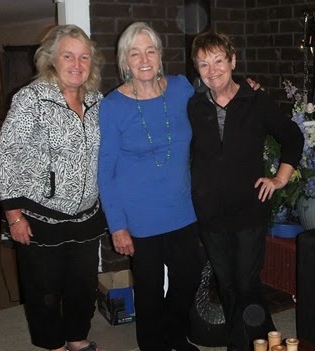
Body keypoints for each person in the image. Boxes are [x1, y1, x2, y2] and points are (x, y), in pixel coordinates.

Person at [187, 31, 304, 351]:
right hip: (209, 212)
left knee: (247, 283)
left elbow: (292, 137)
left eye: (218, 61)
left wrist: (279, 178)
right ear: (197, 69)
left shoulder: (256, 100)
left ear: (233, 61)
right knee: (227, 286)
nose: (212, 70)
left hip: (250, 209)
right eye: (203, 64)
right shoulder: (194, 106)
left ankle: (246, 345)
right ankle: (267, 340)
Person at [0, 25, 106, 351]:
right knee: (43, 289)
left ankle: (77, 340)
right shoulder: (32, 99)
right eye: (68, 55)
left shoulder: (98, 101)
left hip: (87, 216)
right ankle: (53, 346)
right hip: (39, 218)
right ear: (51, 59)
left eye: (84, 56)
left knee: (83, 286)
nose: (77, 63)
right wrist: (14, 217)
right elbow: (5, 157)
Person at [97, 22, 203, 351]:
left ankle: (175, 334)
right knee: (149, 288)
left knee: (190, 276)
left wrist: (244, 87)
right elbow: (106, 171)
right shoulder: (113, 106)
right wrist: (118, 226)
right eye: (135, 53)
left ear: (159, 55)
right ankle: (153, 344)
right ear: (124, 61)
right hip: (138, 218)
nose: (144, 59)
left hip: (182, 210)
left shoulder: (182, 88)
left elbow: (215, 105)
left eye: (150, 50)